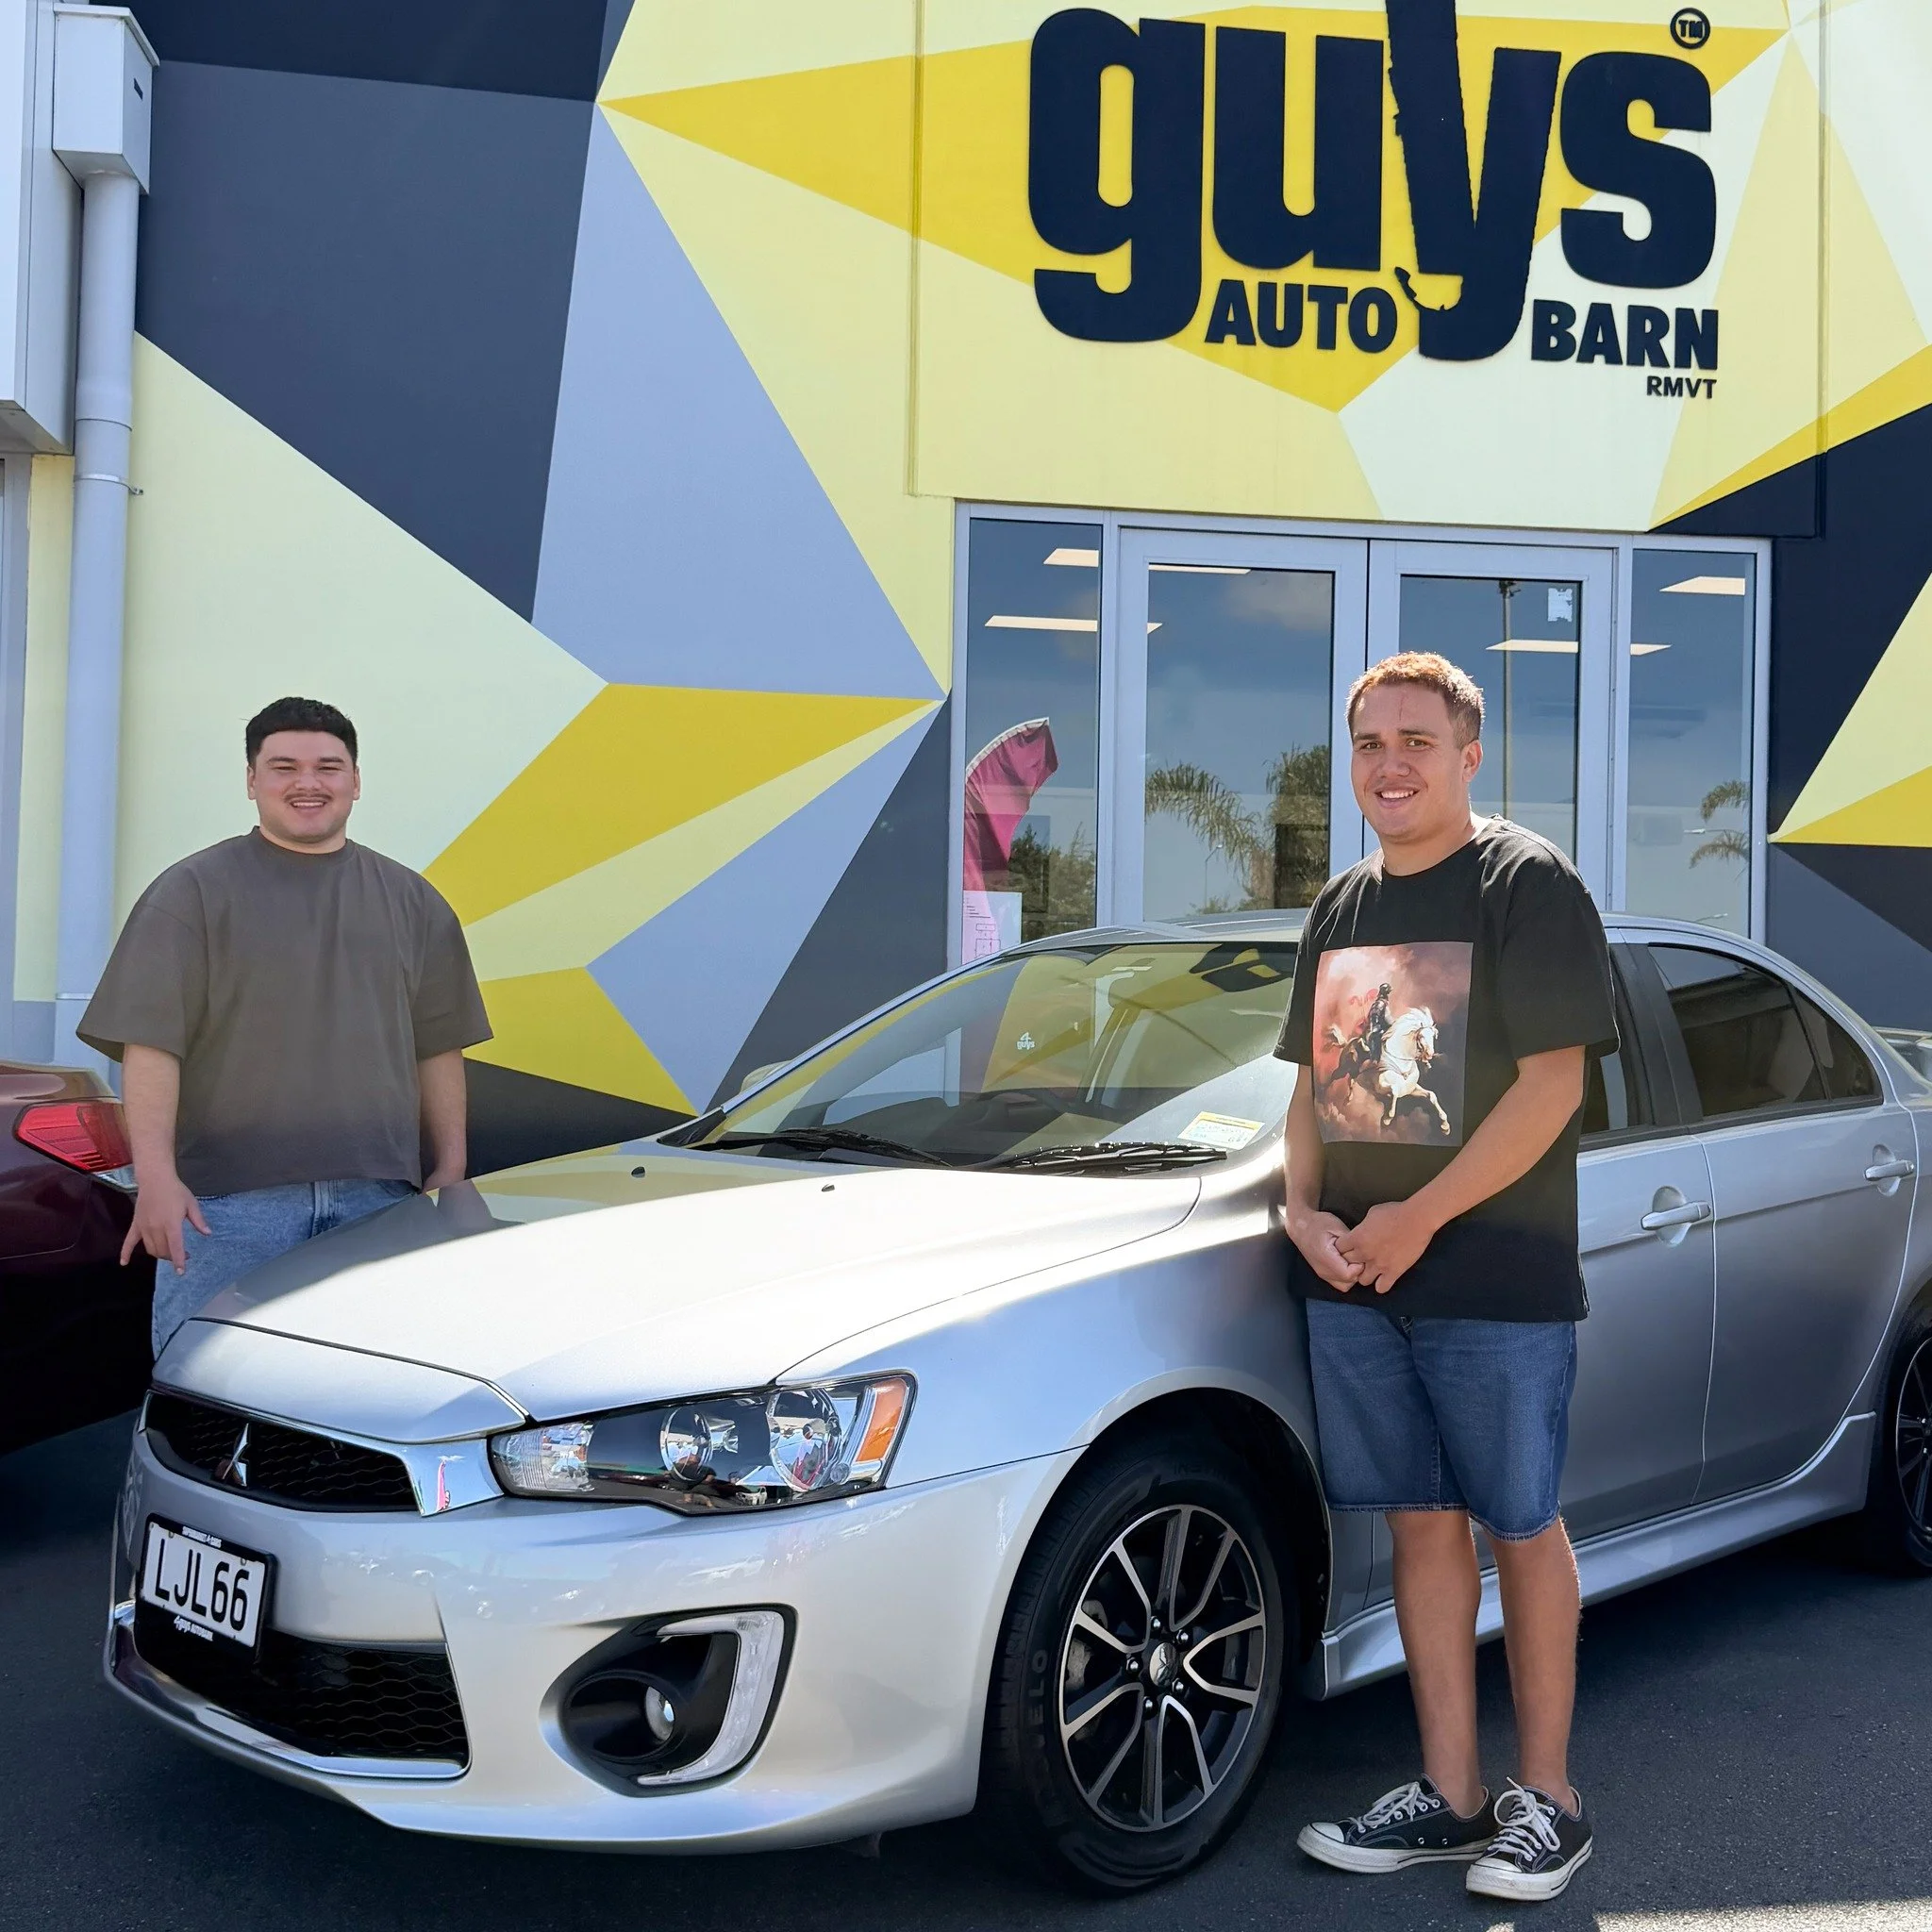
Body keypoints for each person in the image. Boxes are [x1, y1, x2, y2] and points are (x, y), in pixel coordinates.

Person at [1276, 652, 1616, 1905]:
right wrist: (1302, 1211)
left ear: (1470, 755)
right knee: (1422, 1524)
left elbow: (1552, 1087)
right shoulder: (1338, 909)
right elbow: (1312, 1091)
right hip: (1359, 1282)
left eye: (1417, 739)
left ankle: (1550, 1801)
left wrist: (1417, 1217)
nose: (1390, 763)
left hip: (1493, 1279)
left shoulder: (1525, 885)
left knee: (1520, 1523)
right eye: (1370, 742)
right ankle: (1452, 1796)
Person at [79, 696, 493, 1357]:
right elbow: (151, 1048)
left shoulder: (414, 902)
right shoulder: (190, 894)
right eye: (284, 767)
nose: (308, 783)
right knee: (205, 1389)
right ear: (251, 780)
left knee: (358, 1395)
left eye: (329, 766)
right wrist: (156, 1180)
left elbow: (439, 1047)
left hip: (378, 1203)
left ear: (356, 780)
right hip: (224, 1209)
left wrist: (452, 1169)